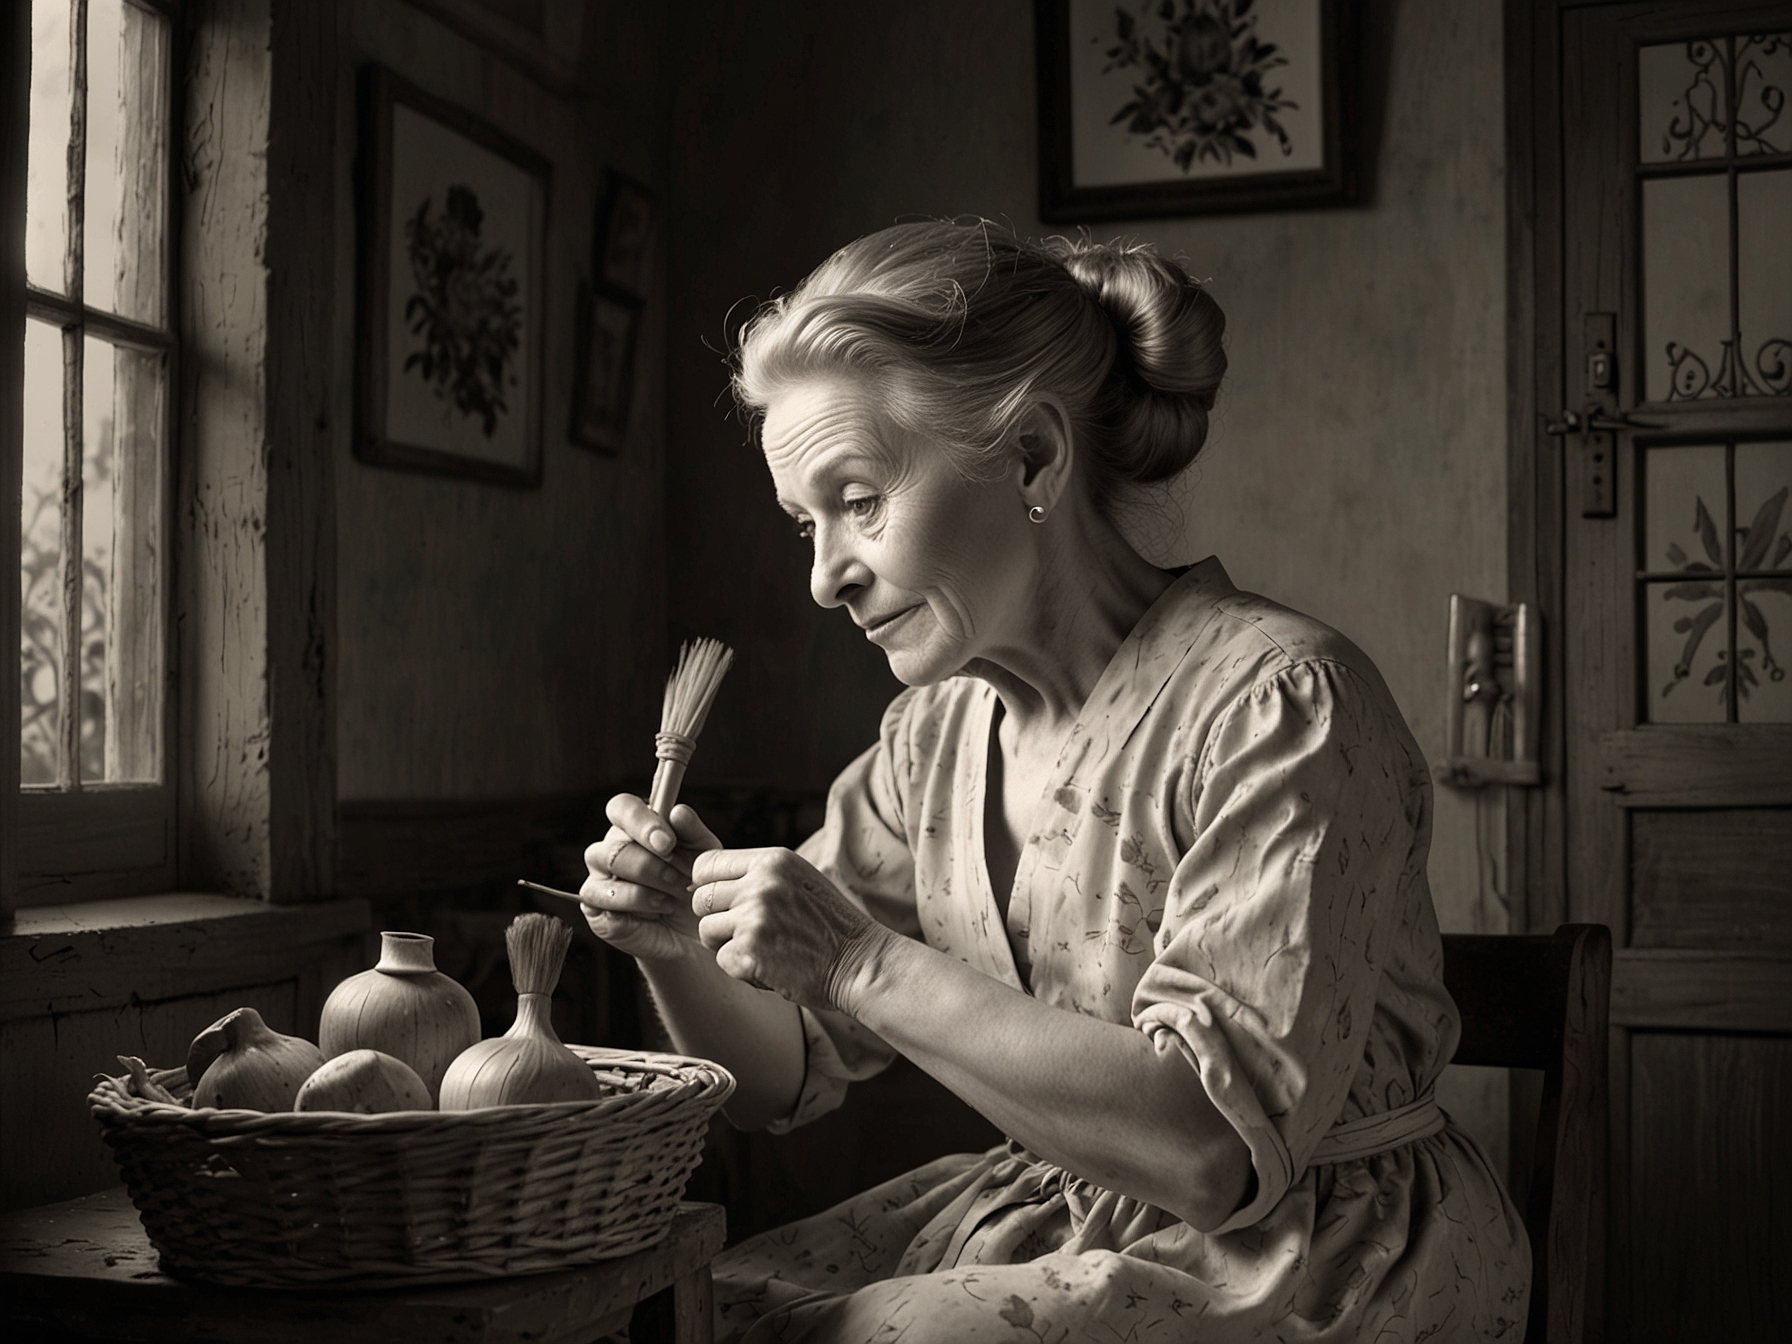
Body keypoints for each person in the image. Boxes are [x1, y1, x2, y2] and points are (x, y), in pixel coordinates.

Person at [578, 220, 1529, 1342]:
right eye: (804, 522)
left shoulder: (1281, 705)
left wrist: (855, 957)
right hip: (1056, 1227)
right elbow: (784, 1074)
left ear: (1030, 454)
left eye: (860, 500)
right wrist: (677, 947)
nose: (825, 579)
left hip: (1310, 1261)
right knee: (676, 1314)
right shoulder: (926, 742)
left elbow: (1210, 1152)